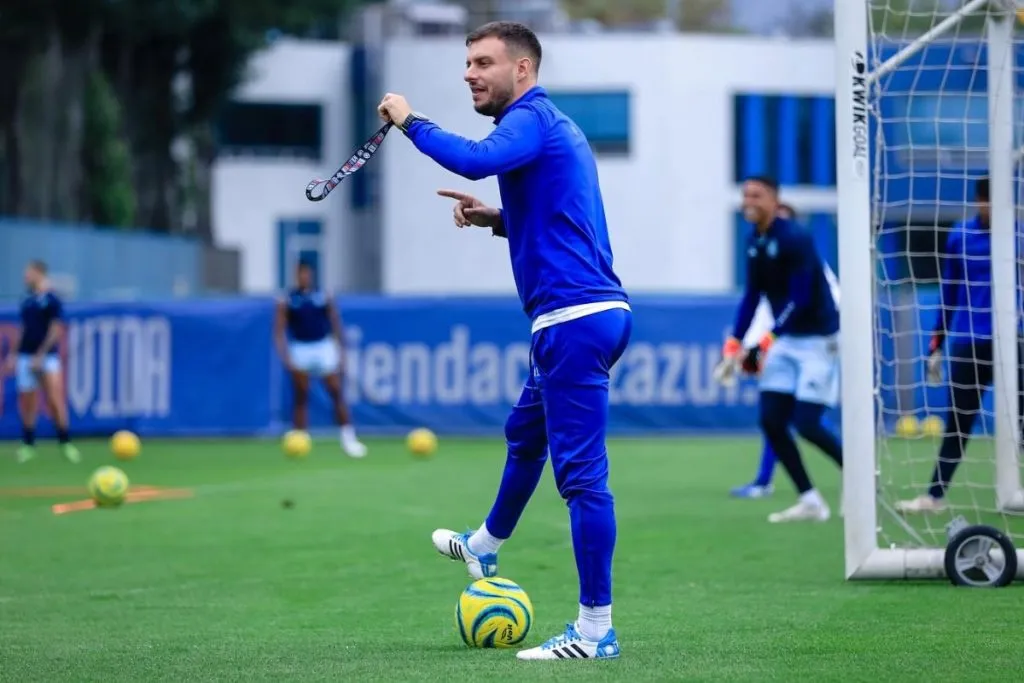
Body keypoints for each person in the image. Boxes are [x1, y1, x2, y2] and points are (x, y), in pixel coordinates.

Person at [376, 21, 631, 661]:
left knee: (582, 480)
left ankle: (596, 631)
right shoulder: (545, 129)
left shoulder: (532, 118)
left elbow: (475, 159)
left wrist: (409, 120)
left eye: (482, 62)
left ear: (522, 70)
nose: (469, 73)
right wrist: (498, 220)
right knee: (526, 435)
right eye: (466, 63)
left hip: (574, 318)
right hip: (575, 316)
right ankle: (485, 543)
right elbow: (551, 213)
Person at [716, 177, 843, 522]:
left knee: (807, 423)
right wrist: (735, 343)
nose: (748, 201)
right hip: (787, 339)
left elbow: (800, 299)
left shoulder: (795, 238)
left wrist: (765, 341)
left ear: (774, 199)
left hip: (819, 340)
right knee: (771, 420)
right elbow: (752, 295)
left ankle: (860, 480)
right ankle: (811, 500)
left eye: (756, 195)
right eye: (745, 195)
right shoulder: (754, 239)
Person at [897, 177, 1024, 513]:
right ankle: (934, 496)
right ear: (978, 201)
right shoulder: (960, 235)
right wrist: (936, 342)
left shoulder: (1020, 235)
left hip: (1016, 340)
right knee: (958, 421)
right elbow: (949, 291)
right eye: (987, 201)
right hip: (969, 341)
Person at [274, 261, 366, 458]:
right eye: (300, 274)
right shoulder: (288, 298)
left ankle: (348, 439)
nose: (304, 277)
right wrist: (285, 355)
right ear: (296, 275)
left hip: (323, 346)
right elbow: (279, 330)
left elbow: (335, 323)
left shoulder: (323, 295)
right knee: (301, 395)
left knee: (335, 391)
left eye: (306, 274)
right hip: (300, 347)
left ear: (311, 275)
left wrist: (341, 350)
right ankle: (300, 439)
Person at [3, 260, 80, 464]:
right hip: (25, 356)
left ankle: (65, 442)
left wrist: (41, 354)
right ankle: (28, 444)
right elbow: (23, 329)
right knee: (28, 401)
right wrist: (13, 353)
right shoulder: (27, 299)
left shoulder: (52, 299)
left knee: (54, 399)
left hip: (47, 357)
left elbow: (55, 329)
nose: (25, 277)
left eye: (28, 272)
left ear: (39, 273)